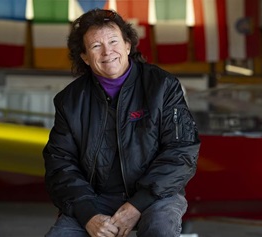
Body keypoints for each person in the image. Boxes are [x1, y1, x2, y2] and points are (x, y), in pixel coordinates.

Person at [42, 8, 201, 237]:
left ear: (128, 45)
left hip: (156, 195)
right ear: (85, 57)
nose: (108, 52)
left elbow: (182, 151)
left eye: (114, 41)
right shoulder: (70, 101)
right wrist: (88, 215)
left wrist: (137, 204)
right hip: (94, 198)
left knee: (160, 228)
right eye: (96, 46)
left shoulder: (162, 87)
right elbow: (60, 164)